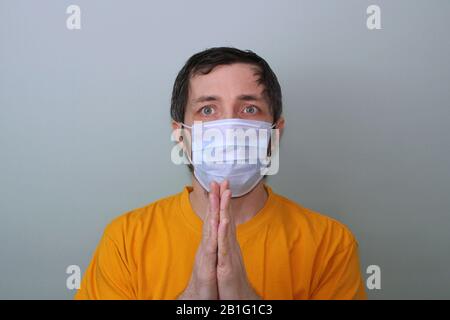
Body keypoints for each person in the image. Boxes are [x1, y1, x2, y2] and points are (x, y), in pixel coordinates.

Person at [75, 47, 367, 300]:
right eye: (207, 110)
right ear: (180, 135)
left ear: (274, 134)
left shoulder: (330, 244)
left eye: (250, 108)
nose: (229, 125)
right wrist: (193, 297)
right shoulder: (126, 240)